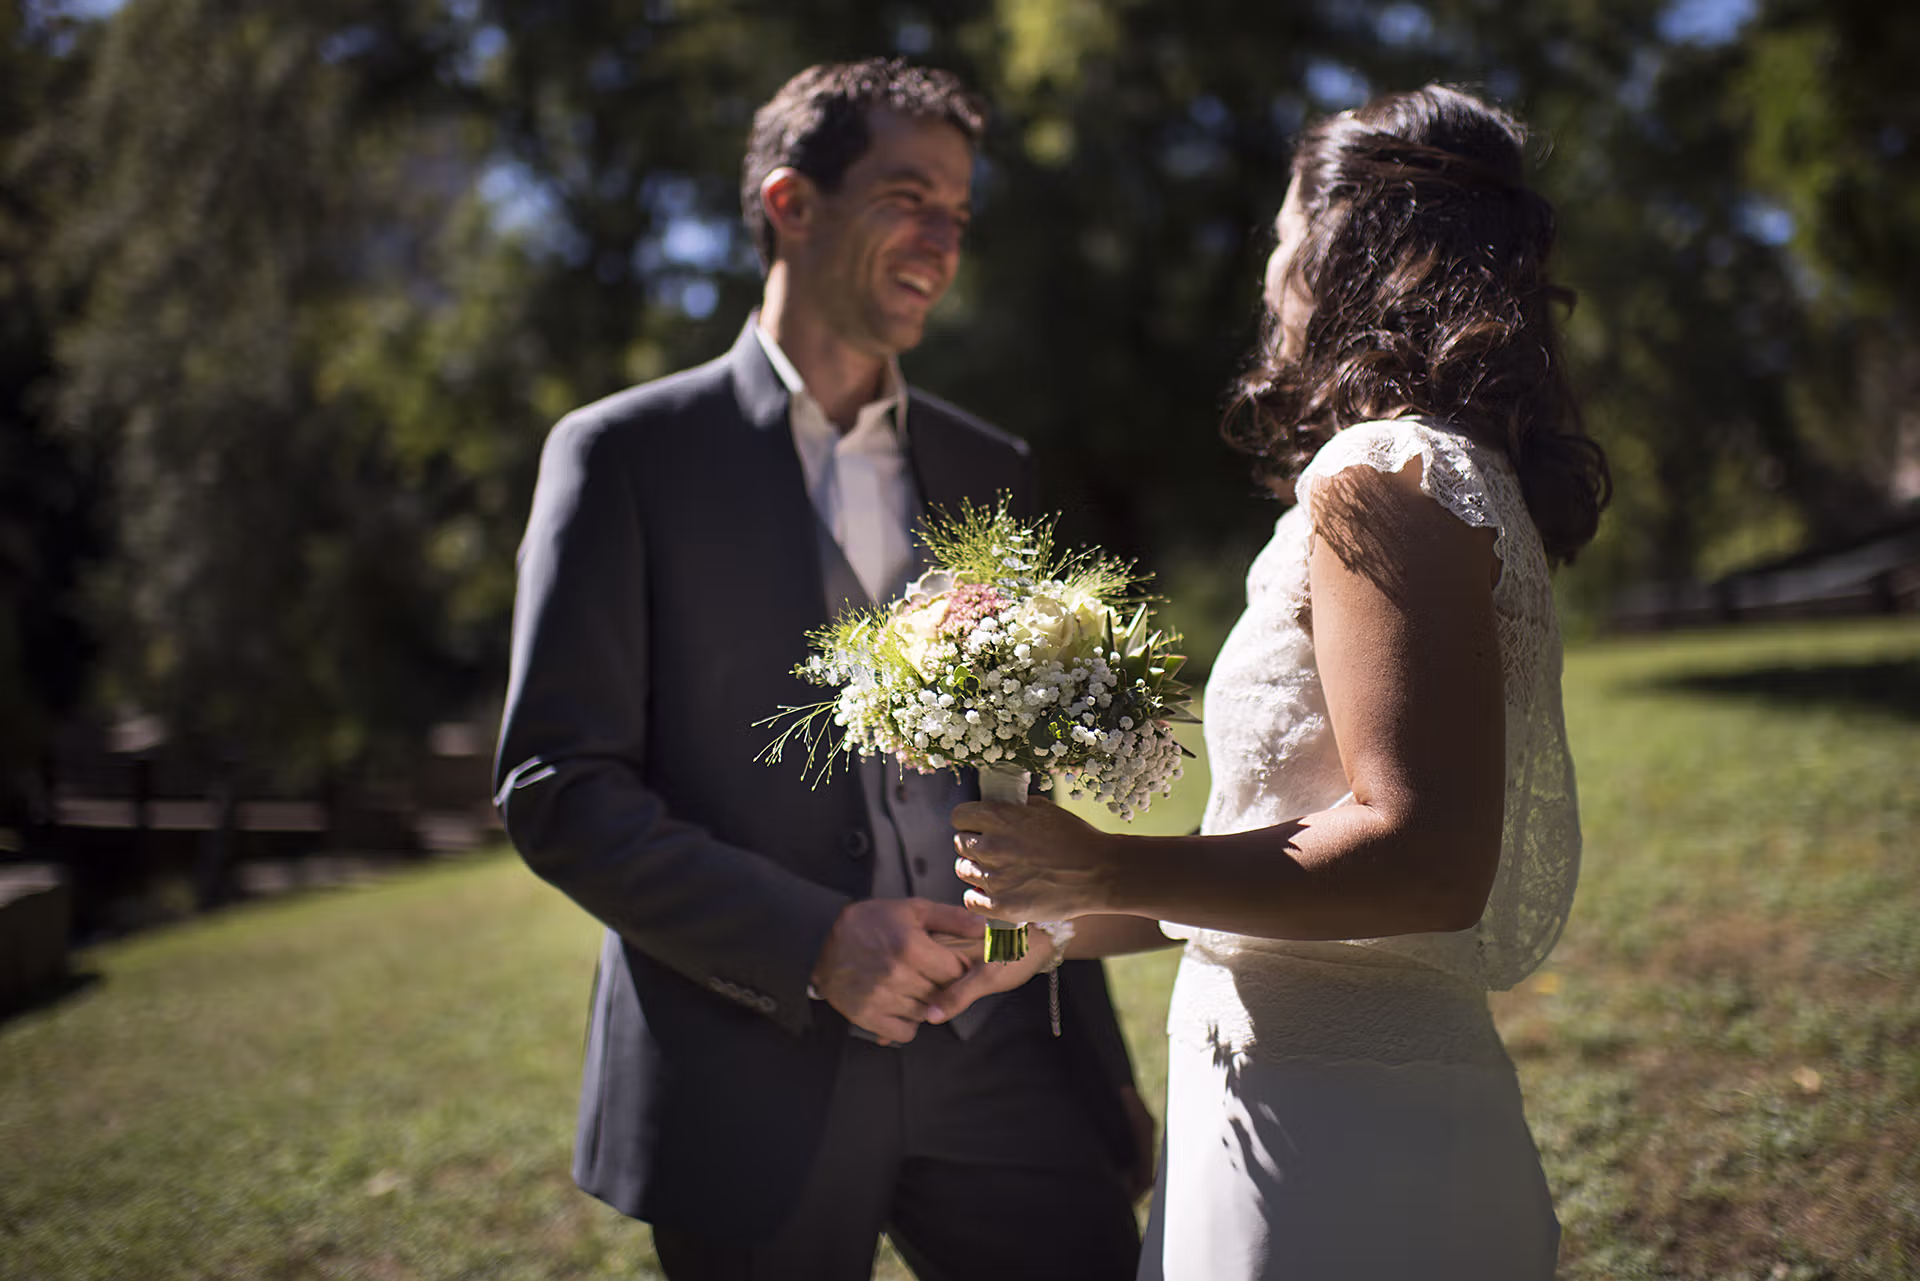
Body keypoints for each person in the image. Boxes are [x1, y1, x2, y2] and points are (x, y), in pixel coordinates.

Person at [493, 58, 1145, 1280]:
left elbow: (1018, 791)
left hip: (1003, 1057)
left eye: (958, 212)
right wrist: (814, 942)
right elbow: (556, 784)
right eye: (909, 196)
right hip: (745, 1072)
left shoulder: (986, 463)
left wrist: (1084, 1048)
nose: (942, 240)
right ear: (791, 204)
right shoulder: (623, 456)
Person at [943, 84, 1611, 1278]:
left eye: (1283, 229)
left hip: (1338, 1147)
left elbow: (1422, 858)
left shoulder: (1382, 472)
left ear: (1363, 245)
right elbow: (1284, 857)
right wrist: (1055, 923)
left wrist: (1106, 856)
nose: (1272, 267)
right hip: (1320, 1107)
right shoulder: (1446, 468)